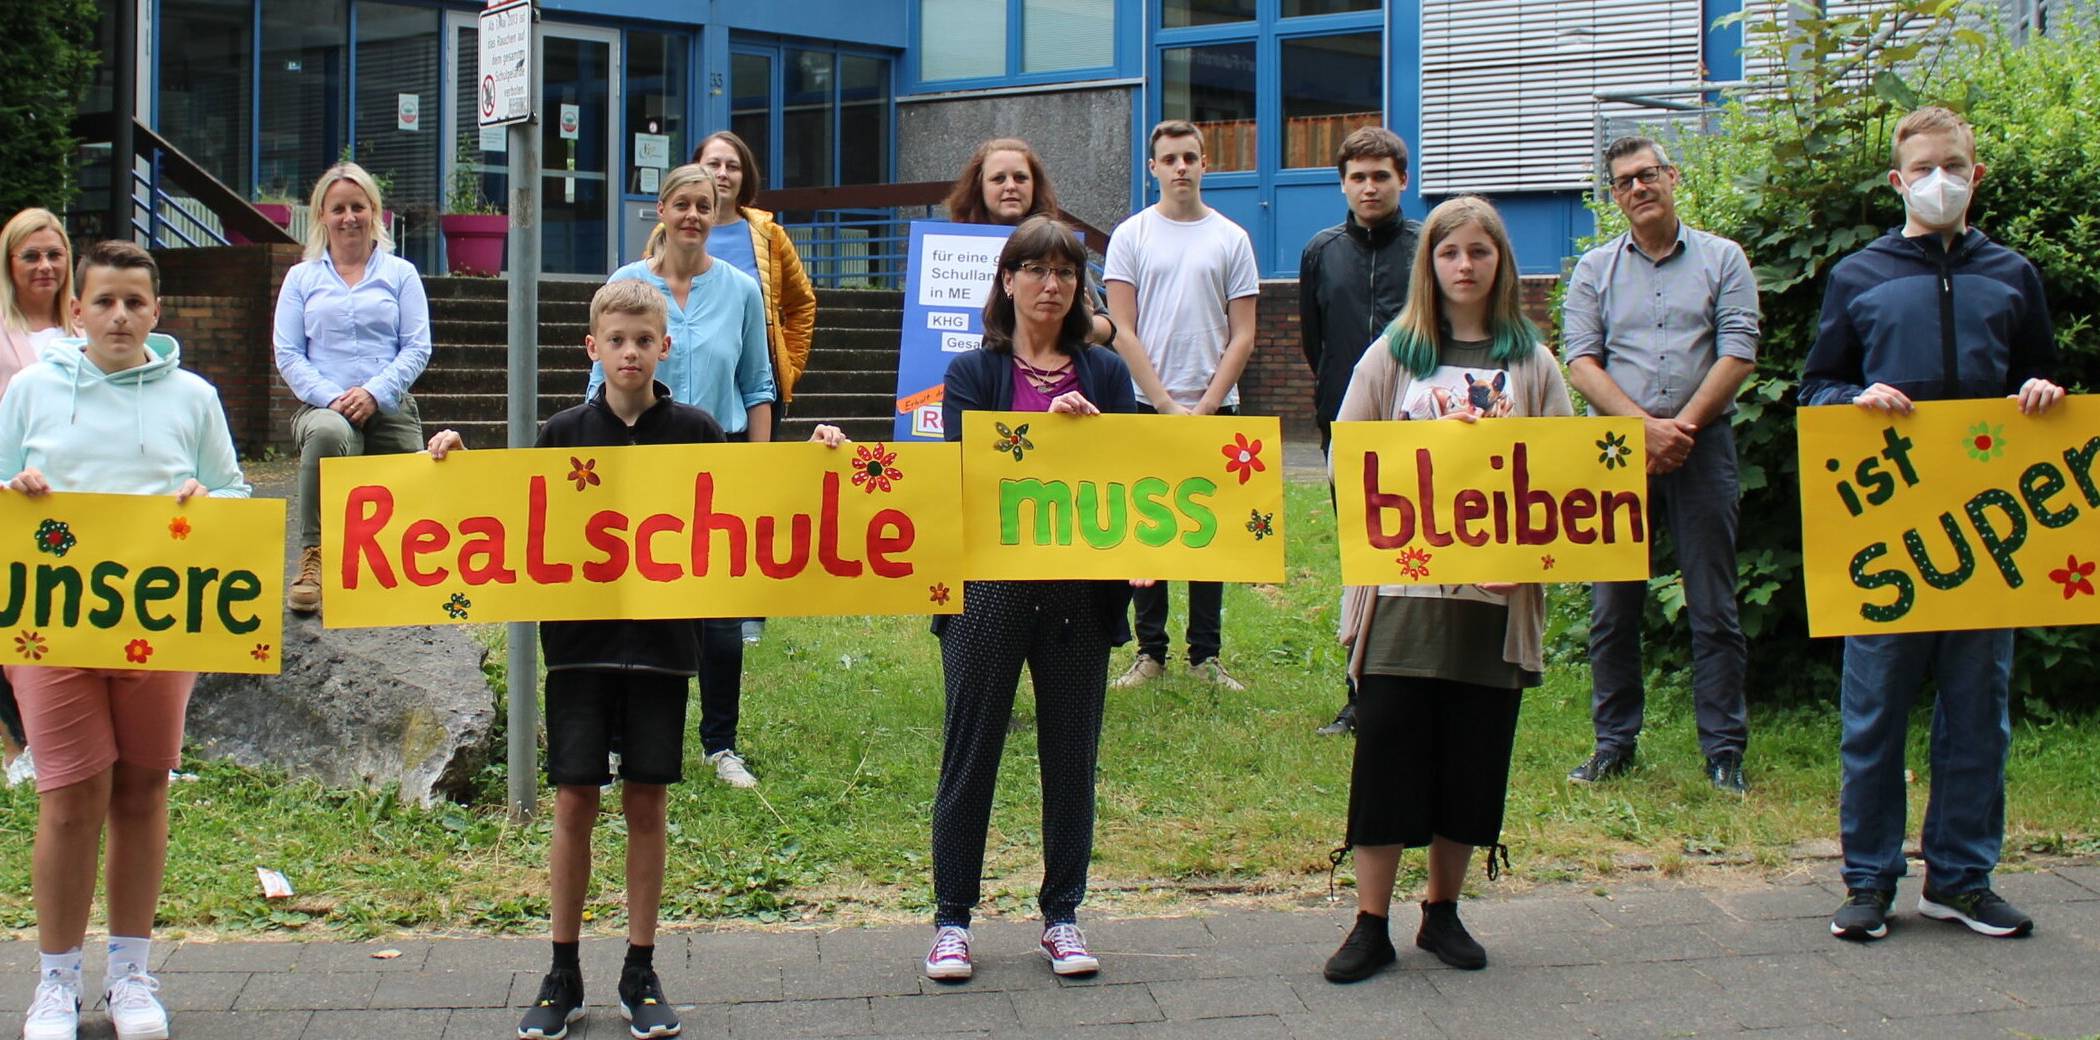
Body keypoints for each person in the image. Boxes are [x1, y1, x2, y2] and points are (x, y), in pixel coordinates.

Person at [1802, 106, 2059, 944]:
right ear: (1897, 180)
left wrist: (2041, 398)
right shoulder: (1857, 277)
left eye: (1953, 163)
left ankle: (1962, 878)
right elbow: (1817, 390)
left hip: (1991, 533)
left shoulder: (2014, 274)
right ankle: (1870, 879)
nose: (1938, 178)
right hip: (1888, 527)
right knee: (1874, 708)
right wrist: (1855, 398)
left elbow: (2040, 376)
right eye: (1923, 166)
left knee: (1978, 710)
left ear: (1976, 173)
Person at [2, 240, 251, 1040]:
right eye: (103, 300)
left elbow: (235, 492)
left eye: (134, 302)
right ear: (76, 310)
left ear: (155, 313)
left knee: (143, 791)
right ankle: (56, 979)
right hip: (54, 622)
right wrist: (16, 488)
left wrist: (203, 498)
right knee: (69, 795)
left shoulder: (193, 397)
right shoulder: (31, 390)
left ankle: (132, 974)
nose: (118, 315)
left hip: (162, 618)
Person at [1320, 196, 1572, 984]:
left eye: (1480, 252)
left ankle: (1443, 910)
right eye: (1450, 252)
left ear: (1502, 266)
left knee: (1473, 757)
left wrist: (1528, 561)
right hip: (1403, 600)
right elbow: (1345, 461)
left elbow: (1565, 480)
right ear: (1429, 265)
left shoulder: (1533, 362)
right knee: (1388, 751)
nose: (1465, 265)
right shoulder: (1393, 353)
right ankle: (1369, 923)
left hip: (1492, 607)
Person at [923, 216, 1138, 983]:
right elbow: (968, 470)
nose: (1052, 286)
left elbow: (1131, 480)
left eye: (1066, 272)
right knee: (970, 748)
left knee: (1071, 753)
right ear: (1007, 281)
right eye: (1036, 270)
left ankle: (1063, 914)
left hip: (1080, 588)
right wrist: (1044, 433)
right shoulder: (971, 373)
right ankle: (952, 919)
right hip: (989, 583)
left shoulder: (1107, 375)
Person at [1561, 136, 1760, 792]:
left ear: (1673, 176)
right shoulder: (1594, 269)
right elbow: (1582, 362)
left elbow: (1737, 351)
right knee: (1613, 609)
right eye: (1623, 182)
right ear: (1614, 197)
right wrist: (1644, 429)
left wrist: (1682, 430)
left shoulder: (1724, 259)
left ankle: (1724, 751)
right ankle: (1614, 744)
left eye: (1648, 175)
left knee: (1713, 604)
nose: (1638, 188)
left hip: (1705, 446)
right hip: (1617, 453)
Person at [600, 163, 776, 790]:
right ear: (661, 210)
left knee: (720, 620)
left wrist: (755, 465)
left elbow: (758, 384)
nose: (694, 216)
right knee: (638, 609)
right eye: (682, 204)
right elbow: (602, 381)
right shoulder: (626, 283)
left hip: (719, 456)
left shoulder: (741, 289)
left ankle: (720, 745)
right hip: (638, 456)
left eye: (705, 204)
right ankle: (618, 745)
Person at [1103, 120, 1260, 692]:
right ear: (1153, 168)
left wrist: (1209, 405)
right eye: (1169, 159)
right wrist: (1166, 404)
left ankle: (1206, 656)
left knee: (1207, 532)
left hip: (1217, 408)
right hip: (1148, 404)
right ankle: (1150, 652)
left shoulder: (1231, 238)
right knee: (1151, 528)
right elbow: (1122, 328)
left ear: (1204, 164)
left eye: (1190, 157)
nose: (1181, 168)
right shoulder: (1132, 235)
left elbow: (1242, 333)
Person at [1298, 127, 1420, 736]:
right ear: (1343, 183)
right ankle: (1358, 695)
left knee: (1419, 561)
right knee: (1363, 561)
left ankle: (1416, 688)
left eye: (1381, 176)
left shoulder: (1429, 246)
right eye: (1357, 177)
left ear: (1403, 178)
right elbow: (1313, 340)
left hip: (1420, 428)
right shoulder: (1321, 250)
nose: (1369, 187)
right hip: (1347, 429)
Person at [273, 162, 432, 615]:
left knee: (409, 492)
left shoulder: (400, 274)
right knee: (328, 435)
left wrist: (374, 392)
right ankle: (313, 557)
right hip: (323, 404)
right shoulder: (302, 279)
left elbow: (417, 346)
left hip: (389, 400)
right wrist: (334, 398)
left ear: (374, 212)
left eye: (358, 207)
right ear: (321, 215)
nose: (349, 217)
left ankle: (404, 570)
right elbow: (287, 353)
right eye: (338, 208)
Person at [689, 130, 817, 646]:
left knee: (750, 498)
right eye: (713, 164)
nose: (723, 174)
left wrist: (789, 365)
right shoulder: (671, 228)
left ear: (745, 176)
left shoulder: (766, 233)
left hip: (754, 388)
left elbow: (802, 302)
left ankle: (748, 610)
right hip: (691, 383)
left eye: (732, 166)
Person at [0, 207, 78, 788]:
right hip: (13, 495)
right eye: (31, 255)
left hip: (81, 499)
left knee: (72, 616)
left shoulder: (86, 325)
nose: (45, 266)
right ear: (11, 264)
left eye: (54, 254)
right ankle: (19, 744)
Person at [943, 138, 1139, 369]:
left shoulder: (1057, 246)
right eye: (998, 178)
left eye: (1020, 177)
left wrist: (1080, 323)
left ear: (1035, 185)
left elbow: (1106, 324)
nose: (1010, 186)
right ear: (979, 187)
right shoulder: (949, 250)